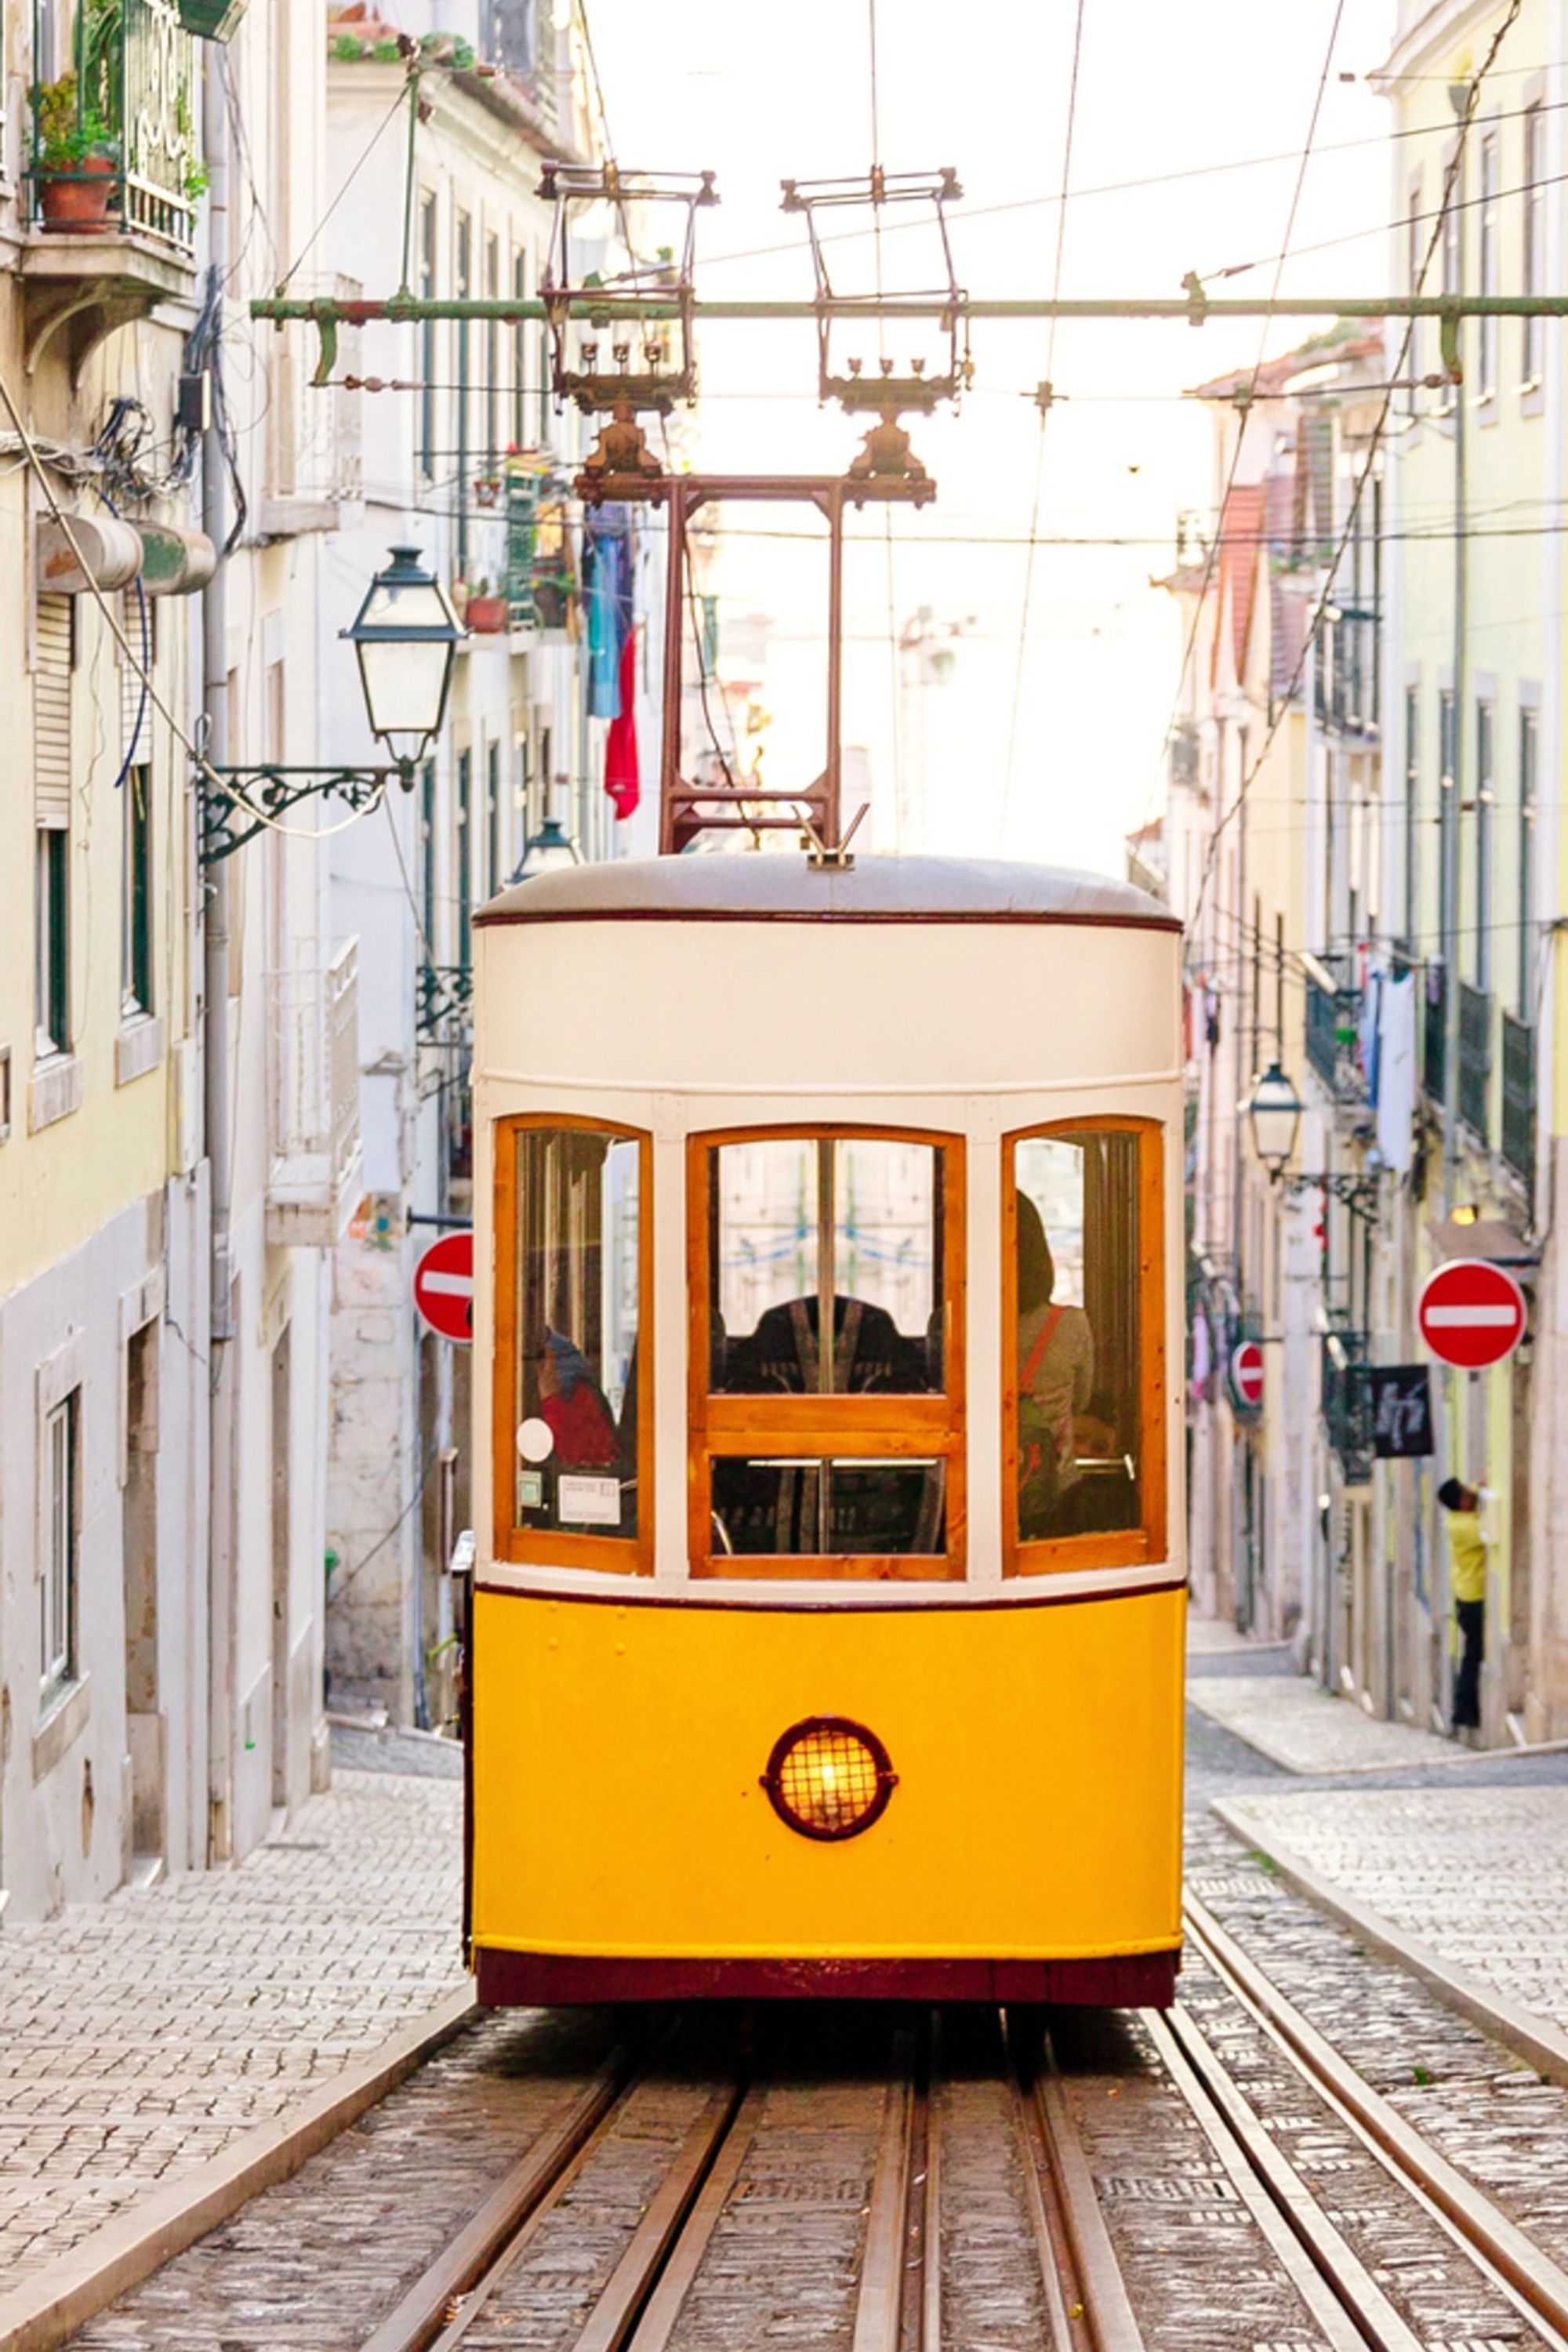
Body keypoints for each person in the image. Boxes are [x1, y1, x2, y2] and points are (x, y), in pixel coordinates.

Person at [1015, 1192, 1094, 1537]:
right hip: (1058, 1500)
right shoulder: (1072, 1325)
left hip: (968, 1499)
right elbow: (1082, 1402)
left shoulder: (948, 1324)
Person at [1437, 1476, 1486, 1742]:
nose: (1471, 1494)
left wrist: (1479, 1487)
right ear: (1460, 1501)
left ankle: (1465, 1710)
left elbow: (1474, 1498)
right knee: (1473, 1657)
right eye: (1466, 1493)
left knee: (1473, 1655)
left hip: (1467, 1597)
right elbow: (1489, 1529)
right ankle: (1464, 1710)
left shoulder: (1458, 1520)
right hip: (1473, 1599)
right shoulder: (1465, 1527)